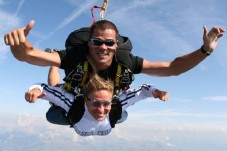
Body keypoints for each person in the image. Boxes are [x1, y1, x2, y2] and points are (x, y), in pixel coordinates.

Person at [4, 19, 225, 125]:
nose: (103, 47)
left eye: (109, 42)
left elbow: (172, 68)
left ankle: (57, 65)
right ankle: (56, 64)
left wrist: (205, 50)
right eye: (97, 41)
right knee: (55, 103)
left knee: (119, 117)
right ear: (89, 43)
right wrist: (18, 46)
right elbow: (29, 55)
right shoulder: (75, 55)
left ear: (117, 44)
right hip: (76, 89)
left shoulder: (126, 61)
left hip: (98, 97)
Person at [25, 74, 168, 136]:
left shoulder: (116, 106)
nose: (100, 110)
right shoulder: (73, 104)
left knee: (122, 115)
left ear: (111, 100)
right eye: (95, 103)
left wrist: (156, 92)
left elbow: (143, 90)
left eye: (106, 103)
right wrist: (35, 91)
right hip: (74, 113)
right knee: (51, 114)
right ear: (85, 99)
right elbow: (44, 87)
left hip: (80, 116)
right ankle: (54, 65)